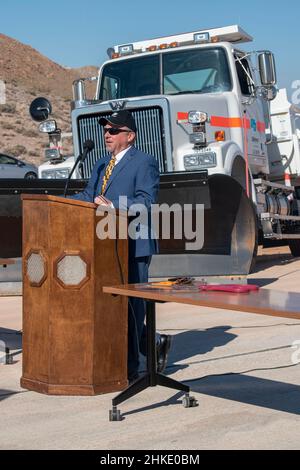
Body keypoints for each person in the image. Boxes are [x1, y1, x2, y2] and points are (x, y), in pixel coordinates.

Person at [71, 110, 172, 382]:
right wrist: (59, 201)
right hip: (106, 245)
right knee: (113, 303)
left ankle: (130, 367)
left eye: (114, 130)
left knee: (133, 306)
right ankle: (153, 343)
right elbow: (88, 195)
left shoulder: (145, 162)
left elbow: (146, 201)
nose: (107, 134)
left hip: (134, 242)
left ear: (130, 136)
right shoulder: (102, 164)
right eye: (106, 129)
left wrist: (114, 207)